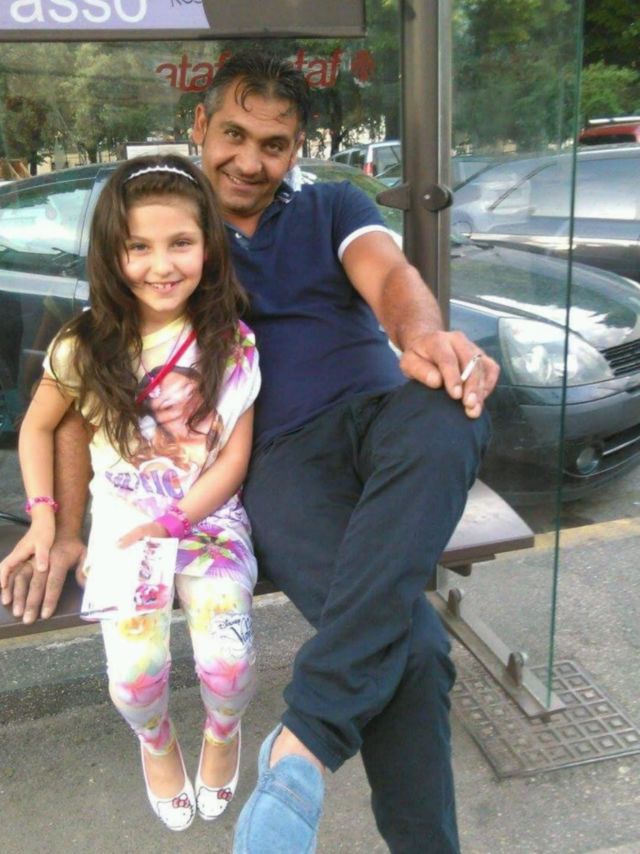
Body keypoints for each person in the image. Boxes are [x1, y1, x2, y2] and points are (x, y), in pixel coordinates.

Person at [0, 52, 499, 853]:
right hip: (281, 461)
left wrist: (425, 336)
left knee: (455, 396)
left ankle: (307, 732)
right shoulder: (171, 234)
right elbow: (83, 397)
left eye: (274, 143)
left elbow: (391, 276)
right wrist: (56, 525)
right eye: (233, 133)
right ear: (200, 126)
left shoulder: (331, 205)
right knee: (414, 648)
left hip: (380, 419)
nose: (250, 160)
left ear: (296, 148)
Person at [0, 154, 261, 832]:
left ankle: (223, 732)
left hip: (207, 521)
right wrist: (44, 520)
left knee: (228, 662)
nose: (161, 265)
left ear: (209, 245)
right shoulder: (84, 344)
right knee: (135, 679)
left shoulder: (229, 342)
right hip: (123, 528)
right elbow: (37, 427)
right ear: (111, 253)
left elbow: (233, 458)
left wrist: (177, 519)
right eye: (137, 247)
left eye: (181, 242)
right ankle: (157, 743)